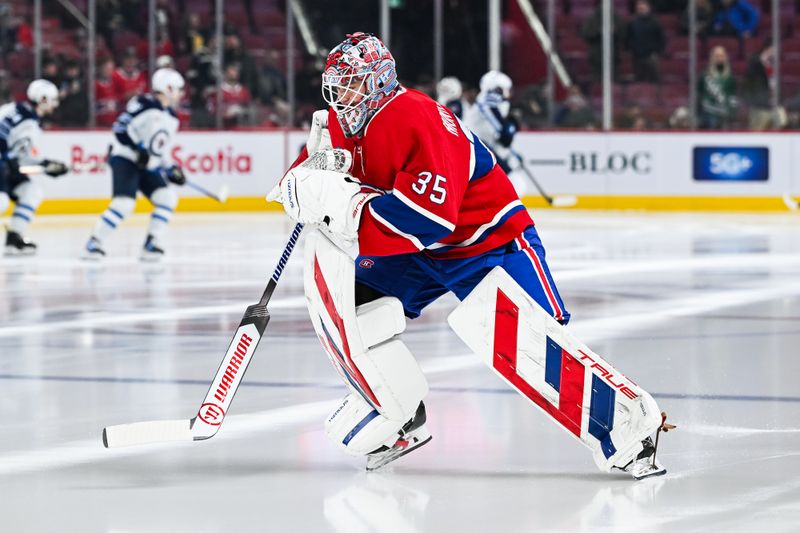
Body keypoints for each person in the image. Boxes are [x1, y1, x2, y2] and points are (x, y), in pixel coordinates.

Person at [268, 32, 667, 479]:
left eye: (353, 84)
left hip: (485, 242)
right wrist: (299, 185)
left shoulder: (416, 118)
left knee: (532, 344)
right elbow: (306, 179)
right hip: (416, 255)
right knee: (346, 302)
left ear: (379, 80)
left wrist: (344, 207)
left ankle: (631, 429)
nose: (343, 95)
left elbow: (427, 221)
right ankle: (395, 409)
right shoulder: (339, 124)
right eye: (338, 85)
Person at [83, 68, 187, 261]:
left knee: (167, 198)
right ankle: (94, 242)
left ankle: (151, 243)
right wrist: (138, 149)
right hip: (126, 159)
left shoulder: (172, 118)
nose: (181, 94)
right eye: (178, 89)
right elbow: (120, 128)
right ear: (168, 87)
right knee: (124, 204)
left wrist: (172, 167)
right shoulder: (143, 104)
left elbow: (159, 150)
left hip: (145, 165)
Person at [0, 80, 69, 255]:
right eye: (53, 99)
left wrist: (45, 165)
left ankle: (15, 238)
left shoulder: (16, 111)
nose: (55, 104)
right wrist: (9, 158)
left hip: (5, 165)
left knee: (31, 191)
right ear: (43, 99)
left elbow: (21, 155)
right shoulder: (26, 122)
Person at [461, 70, 519, 175]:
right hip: (474, 146)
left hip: (476, 145)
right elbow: (504, 135)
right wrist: (508, 128)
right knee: (505, 175)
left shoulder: (484, 101)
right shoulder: (488, 102)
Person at [625, 0, 666, 83]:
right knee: (639, 80)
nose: (641, 7)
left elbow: (661, 39)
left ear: (648, 7)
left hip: (651, 56)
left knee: (654, 80)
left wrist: (656, 51)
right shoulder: (632, 22)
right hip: (637, 56)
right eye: (639, 5)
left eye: (643, 5)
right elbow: (628, 38)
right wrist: (632, 49)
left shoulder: (655, 22)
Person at [698, 46, 737, 129]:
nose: (719, 58)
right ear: (712, 57)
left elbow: (733, 96)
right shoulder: (705, 75)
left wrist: (733, 113)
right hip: (708, 112)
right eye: (717, 56)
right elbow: (699, 93)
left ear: (725, 57)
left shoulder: (730, 77)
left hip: (724, 113)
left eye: (721, 56)